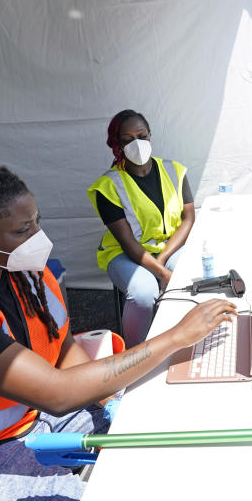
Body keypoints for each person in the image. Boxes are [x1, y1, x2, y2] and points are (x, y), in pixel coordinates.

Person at [0, 165, 235, 501]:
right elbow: (57, 394)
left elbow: (62, 346)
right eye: (23, 229)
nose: (38, 237)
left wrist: (109, 401)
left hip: (24, 420)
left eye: (37, 222)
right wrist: (172, 338)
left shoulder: (23, 272)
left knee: (152, 426)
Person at [87, 110, 195, 346]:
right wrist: (163, 273)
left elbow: (188, 218)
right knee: (144, 294)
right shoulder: (108, 185)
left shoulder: (174, 170)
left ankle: (184, 342)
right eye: (127, 140)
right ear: (117, 145)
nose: (137, 143)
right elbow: (127, 243)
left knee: (189, 276)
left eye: (141, 135)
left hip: (168, 248)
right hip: (124, 254)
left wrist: (164, 259)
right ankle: (135, 356)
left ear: (150, 136)